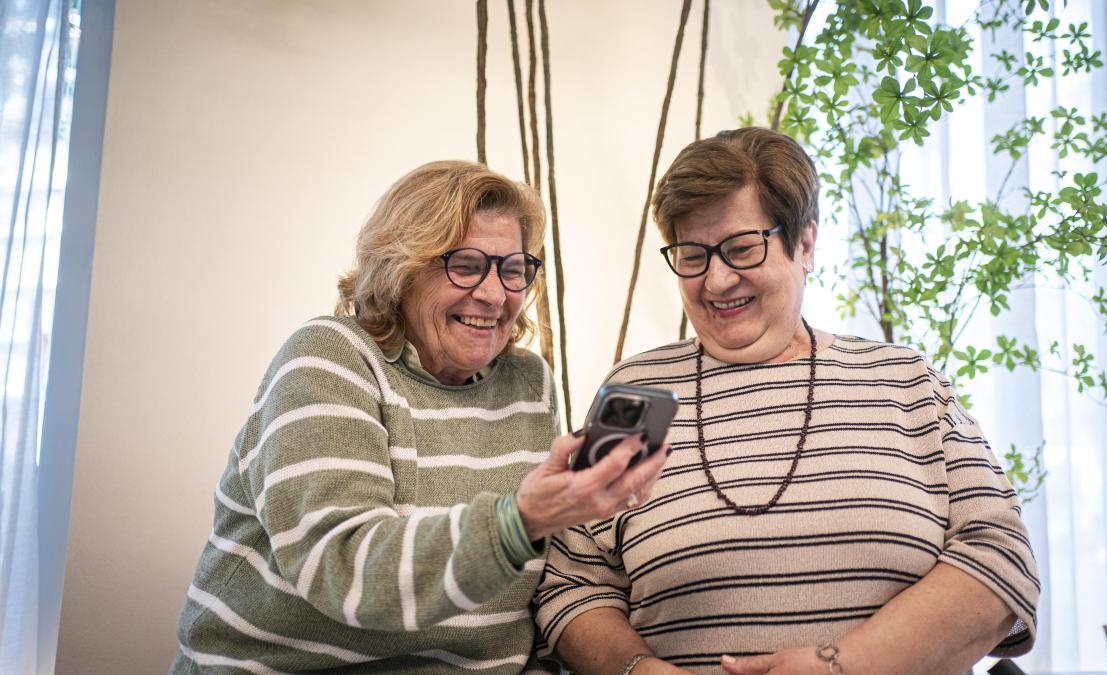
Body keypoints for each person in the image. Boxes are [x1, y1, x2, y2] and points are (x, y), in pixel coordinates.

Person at [534, 128, 1039, 675]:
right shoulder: (638, 393)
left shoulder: (904, 381)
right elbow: (573, 582)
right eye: (692, 255)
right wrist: (634, 669)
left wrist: (842, 665)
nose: (717, 279)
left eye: (742, 248)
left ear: (804, 243)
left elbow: (1001, 555)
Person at [171, 160, 669, 674]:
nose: (496, 295)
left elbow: (518, 614)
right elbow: (344, 572)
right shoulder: (329, 358)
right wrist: (520, 521)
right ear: (401, 270)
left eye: (513, 269)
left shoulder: (527, 383)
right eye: (467, 265)